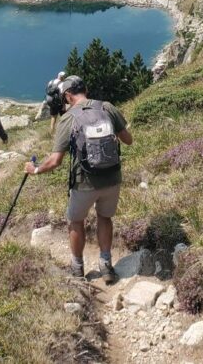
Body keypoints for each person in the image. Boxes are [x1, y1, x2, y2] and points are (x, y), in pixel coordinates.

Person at [24, 75, 132, 284]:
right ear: (85, 90)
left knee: (75, 221)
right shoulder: (107, 107)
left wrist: (35, 170)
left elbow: (55, 161)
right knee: (105, 218)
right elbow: (128, 140)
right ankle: (106, 265)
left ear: (67, 96)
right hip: (112, 178)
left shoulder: (68, 118)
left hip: (84, 182)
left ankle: (77, 269)